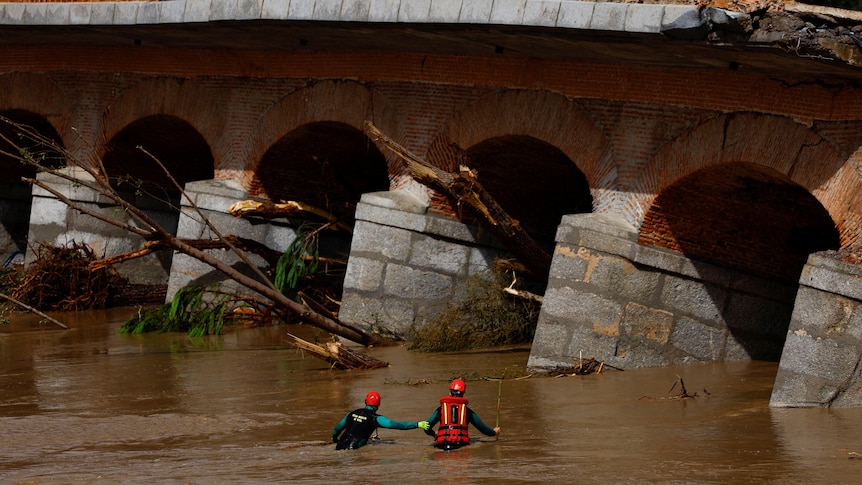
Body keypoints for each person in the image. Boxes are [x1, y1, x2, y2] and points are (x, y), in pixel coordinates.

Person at [331, 391, 430, 450]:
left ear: (365, 402)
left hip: (339, 447)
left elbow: (337, 428)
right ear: (378, 405)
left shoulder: (351, 413)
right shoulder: (375, 418)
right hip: (354, 450)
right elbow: (397, 425)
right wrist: (418, 424)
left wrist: (335, 439)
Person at [424, 378, 501, 450]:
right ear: (463, 393)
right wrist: (494, 432)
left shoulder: (440, 409)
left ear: (450, 392)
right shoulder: (467, 411)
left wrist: (434, 434)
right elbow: (483, 428)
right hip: (460, 444)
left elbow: (426, 426)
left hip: (442, 445)